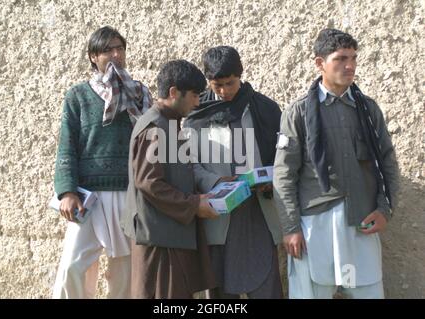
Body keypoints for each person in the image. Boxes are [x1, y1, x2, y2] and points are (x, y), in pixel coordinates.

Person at [273, 28, 400, 299]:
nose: (350, 65)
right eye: (341, 58)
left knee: (366, 291)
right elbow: (284, 174)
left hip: (360, 225)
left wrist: (384, 208)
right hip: (315, 228)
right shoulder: (299, 112)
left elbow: (387, 161)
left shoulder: (367, 109)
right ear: (320, 63)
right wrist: (291, 228)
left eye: (353, 58)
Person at [52, 26, 152, 299]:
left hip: (130, 194)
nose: (116, 54)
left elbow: (152, 144)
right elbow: (67, 144)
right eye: (107, 49)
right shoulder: (79, 96)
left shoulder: (140, 95)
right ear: (93, 57)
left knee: (125, 272)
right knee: (73, 266)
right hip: (89, 198)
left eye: (120, 48)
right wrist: (67, 191)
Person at [184, 46, 283, 299]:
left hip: (258, 213)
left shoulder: (265, 109)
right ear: (209, 81)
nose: (225, 91)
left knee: (266, 288)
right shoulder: (196, 116)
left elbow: (284, 158)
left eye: (230, 83)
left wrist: (271, 180)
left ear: (241, 75)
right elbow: (189, 165)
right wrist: (216, 181)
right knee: (220, 292)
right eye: (218, 85)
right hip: (218, 216)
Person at [121, 59, 219, 299]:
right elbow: (150, 183)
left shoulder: (169, 124)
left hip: (168, 235)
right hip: (158, 240)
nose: (197, 102)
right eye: (194, 96)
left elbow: (175, 174)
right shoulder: (155, 127)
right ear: (174, 92)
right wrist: (194, 205)